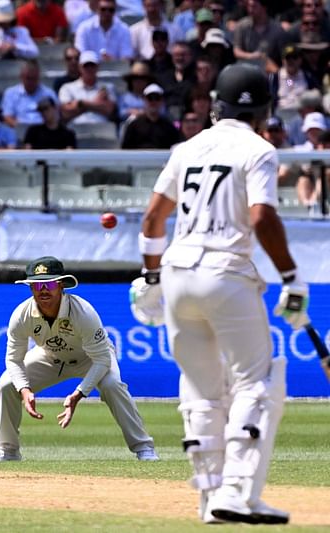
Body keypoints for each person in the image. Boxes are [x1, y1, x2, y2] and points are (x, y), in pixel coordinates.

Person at [129, 63, 304, 524]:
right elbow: (263, 217)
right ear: (265, 110)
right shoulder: (260, 149)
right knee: (258, 382)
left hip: (178, 276)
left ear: (215, 107)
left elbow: (152, 221)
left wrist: (150, 280)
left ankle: (209, 500)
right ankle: (237, 491)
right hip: (226, 272)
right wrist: (290, 277)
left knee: (204, 393)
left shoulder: (186, 147)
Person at [0, 256, 158, 463]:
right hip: (49, 356)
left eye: (48, 284)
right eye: (37, 285)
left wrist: (79, 393)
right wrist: (25, 389)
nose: (43, 290)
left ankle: (144, 448)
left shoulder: (83, 312)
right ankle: (7, 450)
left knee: (112, 385)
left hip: (91, 358)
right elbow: (13, 360)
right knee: (6, 385)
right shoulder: (21, 315)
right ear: (30, 288)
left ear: (60, 286)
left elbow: (102, 359)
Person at [120, 84, 182, 148]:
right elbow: (125, 149)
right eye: (150, 98)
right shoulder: (134, 126)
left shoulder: (169, 127)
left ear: (162, 101)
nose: (153, 101)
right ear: (144, 100)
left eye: (157, 98)